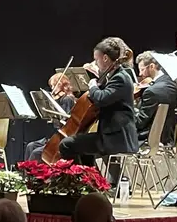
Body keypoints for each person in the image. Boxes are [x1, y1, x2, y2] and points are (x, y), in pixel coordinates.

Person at [59, 37, 138, 169]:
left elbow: (101, 98)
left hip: (116, 137)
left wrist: (93, 85)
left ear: (105, 58)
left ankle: (77, 177)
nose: (95, 63)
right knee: (81, 147)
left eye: (96, 59)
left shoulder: (120, 78)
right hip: (110, 134)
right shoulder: (114, 76)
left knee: (66, 144)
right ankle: (88, 178)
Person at [25, 73, 76, 161]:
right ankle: (24, 169)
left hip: (60, 137)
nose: (52, 88)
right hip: (52, 136)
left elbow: (65, 121)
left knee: (36, 152)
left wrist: (54, 116)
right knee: (30, 146)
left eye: (53, 85)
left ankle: (34, 170)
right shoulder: (58, 99)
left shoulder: (67, 99)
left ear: (60, 85)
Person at [134, 52, 177, 145]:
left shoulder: (151, 91)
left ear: (152, 66)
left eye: (142, 69)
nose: (140, 74)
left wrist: (130, 108)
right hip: (166, 136)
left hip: (148, 138)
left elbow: (139, 123)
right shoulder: (171, 84)